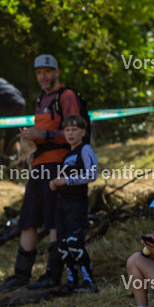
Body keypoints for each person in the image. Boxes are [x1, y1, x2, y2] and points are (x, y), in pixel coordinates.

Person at [0, 54, 83, 293]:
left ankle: (52, 275)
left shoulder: (67, 96)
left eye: (47, 72)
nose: (43, 77)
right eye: (39, 73)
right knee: (28, 218)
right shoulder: (41, 99)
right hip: (38, 165)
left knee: (54, 220)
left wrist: (42, 135)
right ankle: (20, 275)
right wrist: (30, 142)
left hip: (58, 165)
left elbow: (75, 132)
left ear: (57, 72)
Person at [49, 115, 98, 293]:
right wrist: (55, 182)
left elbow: (91, 174)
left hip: (77, 204)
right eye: (67, 130)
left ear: (83, 132)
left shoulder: (85, 149)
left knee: (74, 243)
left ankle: (88, 281)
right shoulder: (67, 155)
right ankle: (72, 281)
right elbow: (64, 177)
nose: (70, 133)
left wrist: (67, 181)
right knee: (62, 244)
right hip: (62, 205)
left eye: (74, 130)